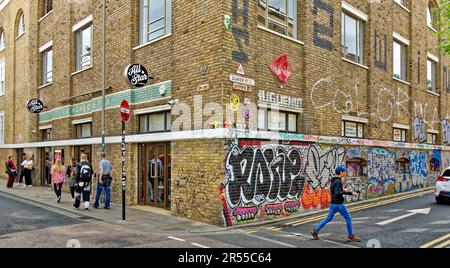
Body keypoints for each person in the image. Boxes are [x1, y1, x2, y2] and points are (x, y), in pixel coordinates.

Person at [311, 166, 362, 242]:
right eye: (344, 171)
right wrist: (345, 190)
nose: (345, 172)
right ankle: (351, 236)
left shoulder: (334, 181)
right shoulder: (338, 182)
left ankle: (315, 231)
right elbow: (338, 193)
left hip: (333, 204)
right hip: (339, 204)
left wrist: (351, 193)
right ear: (340, 172)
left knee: (328, 218)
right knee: (348, 218)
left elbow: (338, 192)